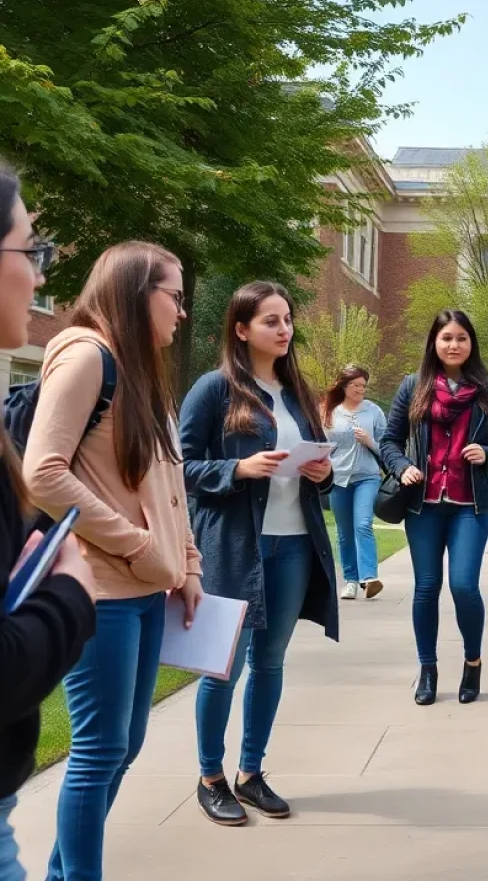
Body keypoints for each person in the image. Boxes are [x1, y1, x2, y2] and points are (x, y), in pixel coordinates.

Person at [22, 241, 203, 881]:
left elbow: (169, 487)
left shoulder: (141, 370)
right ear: (134, 291)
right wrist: (135, 543)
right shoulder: (85, 358)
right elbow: (41, 472)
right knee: (99, 751)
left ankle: (61, 875)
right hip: (100, 591)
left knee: (123, 748)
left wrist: (187, 567)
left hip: (150, 588)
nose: (182, 313)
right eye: (175, 297)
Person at [180, 282, 338, 827]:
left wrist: (324, 472)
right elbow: (179, 468)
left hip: (295, 544)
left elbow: (317, 471)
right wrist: (237, 469)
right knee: (221, 668)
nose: (284, 328)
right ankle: (210, 777)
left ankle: (251, 773)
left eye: (288, 319)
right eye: (271, 320)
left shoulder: (297, 391)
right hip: (233, 546)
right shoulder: (213, 389)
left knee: (269, 663)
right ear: (241, 328)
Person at [0, 166, 97, 881]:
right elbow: (47, 473)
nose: (39, 277)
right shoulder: (88, 363)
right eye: (30, 251)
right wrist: (69, 591)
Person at [380, 309, 488, 707]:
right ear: (434, 343)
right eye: (446, 338)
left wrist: (486, 453)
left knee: (463, 586)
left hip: (470, 504)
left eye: (461, 338)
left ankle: (472, 662)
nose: (453, 345)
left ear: (471, 343)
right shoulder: (412, 386)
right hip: (424, 504)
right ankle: (428, 668)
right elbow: (389, 439)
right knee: (426, 588)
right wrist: (401, 466)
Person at [322, 364, 387, 600]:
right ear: (344, 386)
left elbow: (388, 448)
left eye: (363, 385)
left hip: (367, 477)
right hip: (338, 479)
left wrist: (370, 441)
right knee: (344, 532)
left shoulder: (374, 412)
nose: (361, 389)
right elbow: (321, 444)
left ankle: (369, 577)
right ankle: (350, 580)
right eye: (356, 385)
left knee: (363, 524)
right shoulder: (330, 411)